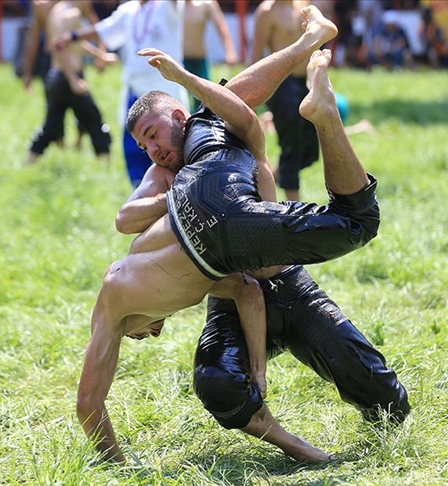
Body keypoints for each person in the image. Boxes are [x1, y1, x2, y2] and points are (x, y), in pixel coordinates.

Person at [76, 7, 384, 464]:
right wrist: (259, 372)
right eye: (145, 147)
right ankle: (310, 52)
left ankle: (320, 97)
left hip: (262, 250)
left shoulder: (120, 292)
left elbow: (87, 405)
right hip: (241, 247)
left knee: (217, 111)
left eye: (154, 136)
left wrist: (116, 465)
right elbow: (244, 291)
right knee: (220, 111)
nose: (154, 151)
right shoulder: (168, 174)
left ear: (173, 119)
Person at [117, 163, 410, 464]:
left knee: (388, 402)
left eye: (140, 331)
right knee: (217, 381)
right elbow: (125, 217)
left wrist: (259, 371)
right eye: (143, 144)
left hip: (290, 289)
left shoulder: (210, 158)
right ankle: (295, 446)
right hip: (234, 305)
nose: (153, 334)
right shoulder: (162, 186)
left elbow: (259, 162)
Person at [52, 0, 188, 187]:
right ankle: (141, 193)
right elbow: (104, 29)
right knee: (135, 146)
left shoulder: (167, 5)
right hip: (134, 89)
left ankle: (183, 192)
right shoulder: (129, 9)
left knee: (173, 144)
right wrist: (73, 36)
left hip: (165, 89)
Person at [25, 0, 114, 165]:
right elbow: (59, 46)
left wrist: (101, 56)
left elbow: (74, 42)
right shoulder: (71, 15)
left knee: (51, 125)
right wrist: (73, 79)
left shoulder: (58, 10)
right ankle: (106, 164)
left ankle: (28, 162)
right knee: (94, 120)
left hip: (55, 76)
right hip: (67, 77)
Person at [251, 0, 318, 202]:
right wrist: (252, 95)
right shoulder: (267, 11)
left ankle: (267, 180)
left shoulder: (303, 6)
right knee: (292, 148)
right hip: (281, 84)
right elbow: (256, 54)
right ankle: (294, 209)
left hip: (303, 83)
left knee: (311, 151)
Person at [183, 0, 238, 111]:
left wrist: (229, 50)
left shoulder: (206, 4)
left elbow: (221, 27)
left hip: (198, 60)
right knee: (178, 98)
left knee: (204, 100)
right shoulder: (172, 6)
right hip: (178, 61)